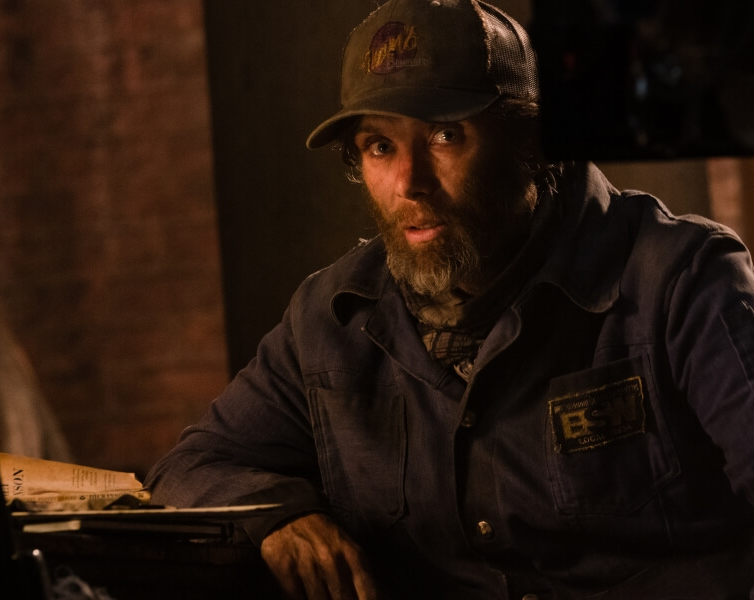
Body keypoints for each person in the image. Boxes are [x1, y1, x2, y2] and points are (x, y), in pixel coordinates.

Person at [145, 0, 754, 597]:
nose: (409, 182)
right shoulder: (329, 320)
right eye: (380, 146)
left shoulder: (682, 280)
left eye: (445, 135)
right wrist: (278, 514)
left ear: (532, 143)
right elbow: (192, 465)